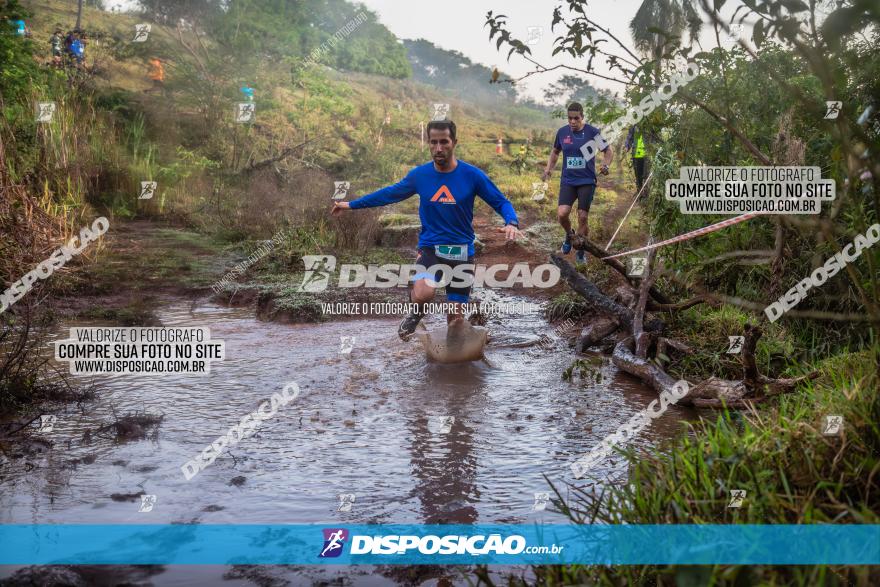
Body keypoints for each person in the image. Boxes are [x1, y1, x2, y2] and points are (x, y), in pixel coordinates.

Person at [331, 119, 521, 341]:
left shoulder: (472, 175)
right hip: (430, 248)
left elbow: (501, 202)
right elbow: (388, 194)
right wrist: (351, 204)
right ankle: (415, 312)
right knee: (425, 292)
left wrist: (511, 222)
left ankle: (452, 362)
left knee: (456, 324)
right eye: (433, 142)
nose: (439, 148)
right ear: (428, 143)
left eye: (444, 142)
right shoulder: (420, 176)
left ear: (454, 142)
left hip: (462, 253)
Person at [542, 102, 613, 264]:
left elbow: (608, 151)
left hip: (587, 180)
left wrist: (606, 164)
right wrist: (548, 168)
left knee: (582, 216)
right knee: (562, 214)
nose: (572, 122)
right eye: (570, 119)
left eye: (576, 118)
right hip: (568, 180)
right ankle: (569, 235)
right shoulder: (562, 133)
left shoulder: (593, 132)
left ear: (582, 117)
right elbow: (555, 152)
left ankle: (581, 250)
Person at [625, 124, 650, 197]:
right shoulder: (634, 126)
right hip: (636, 155)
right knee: (638, 175)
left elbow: (654, 138)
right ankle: (640, 192)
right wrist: (627, 147)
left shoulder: (649, 124)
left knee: (646, 174)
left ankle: (646, 193)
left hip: (647, 155)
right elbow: (629, 138)